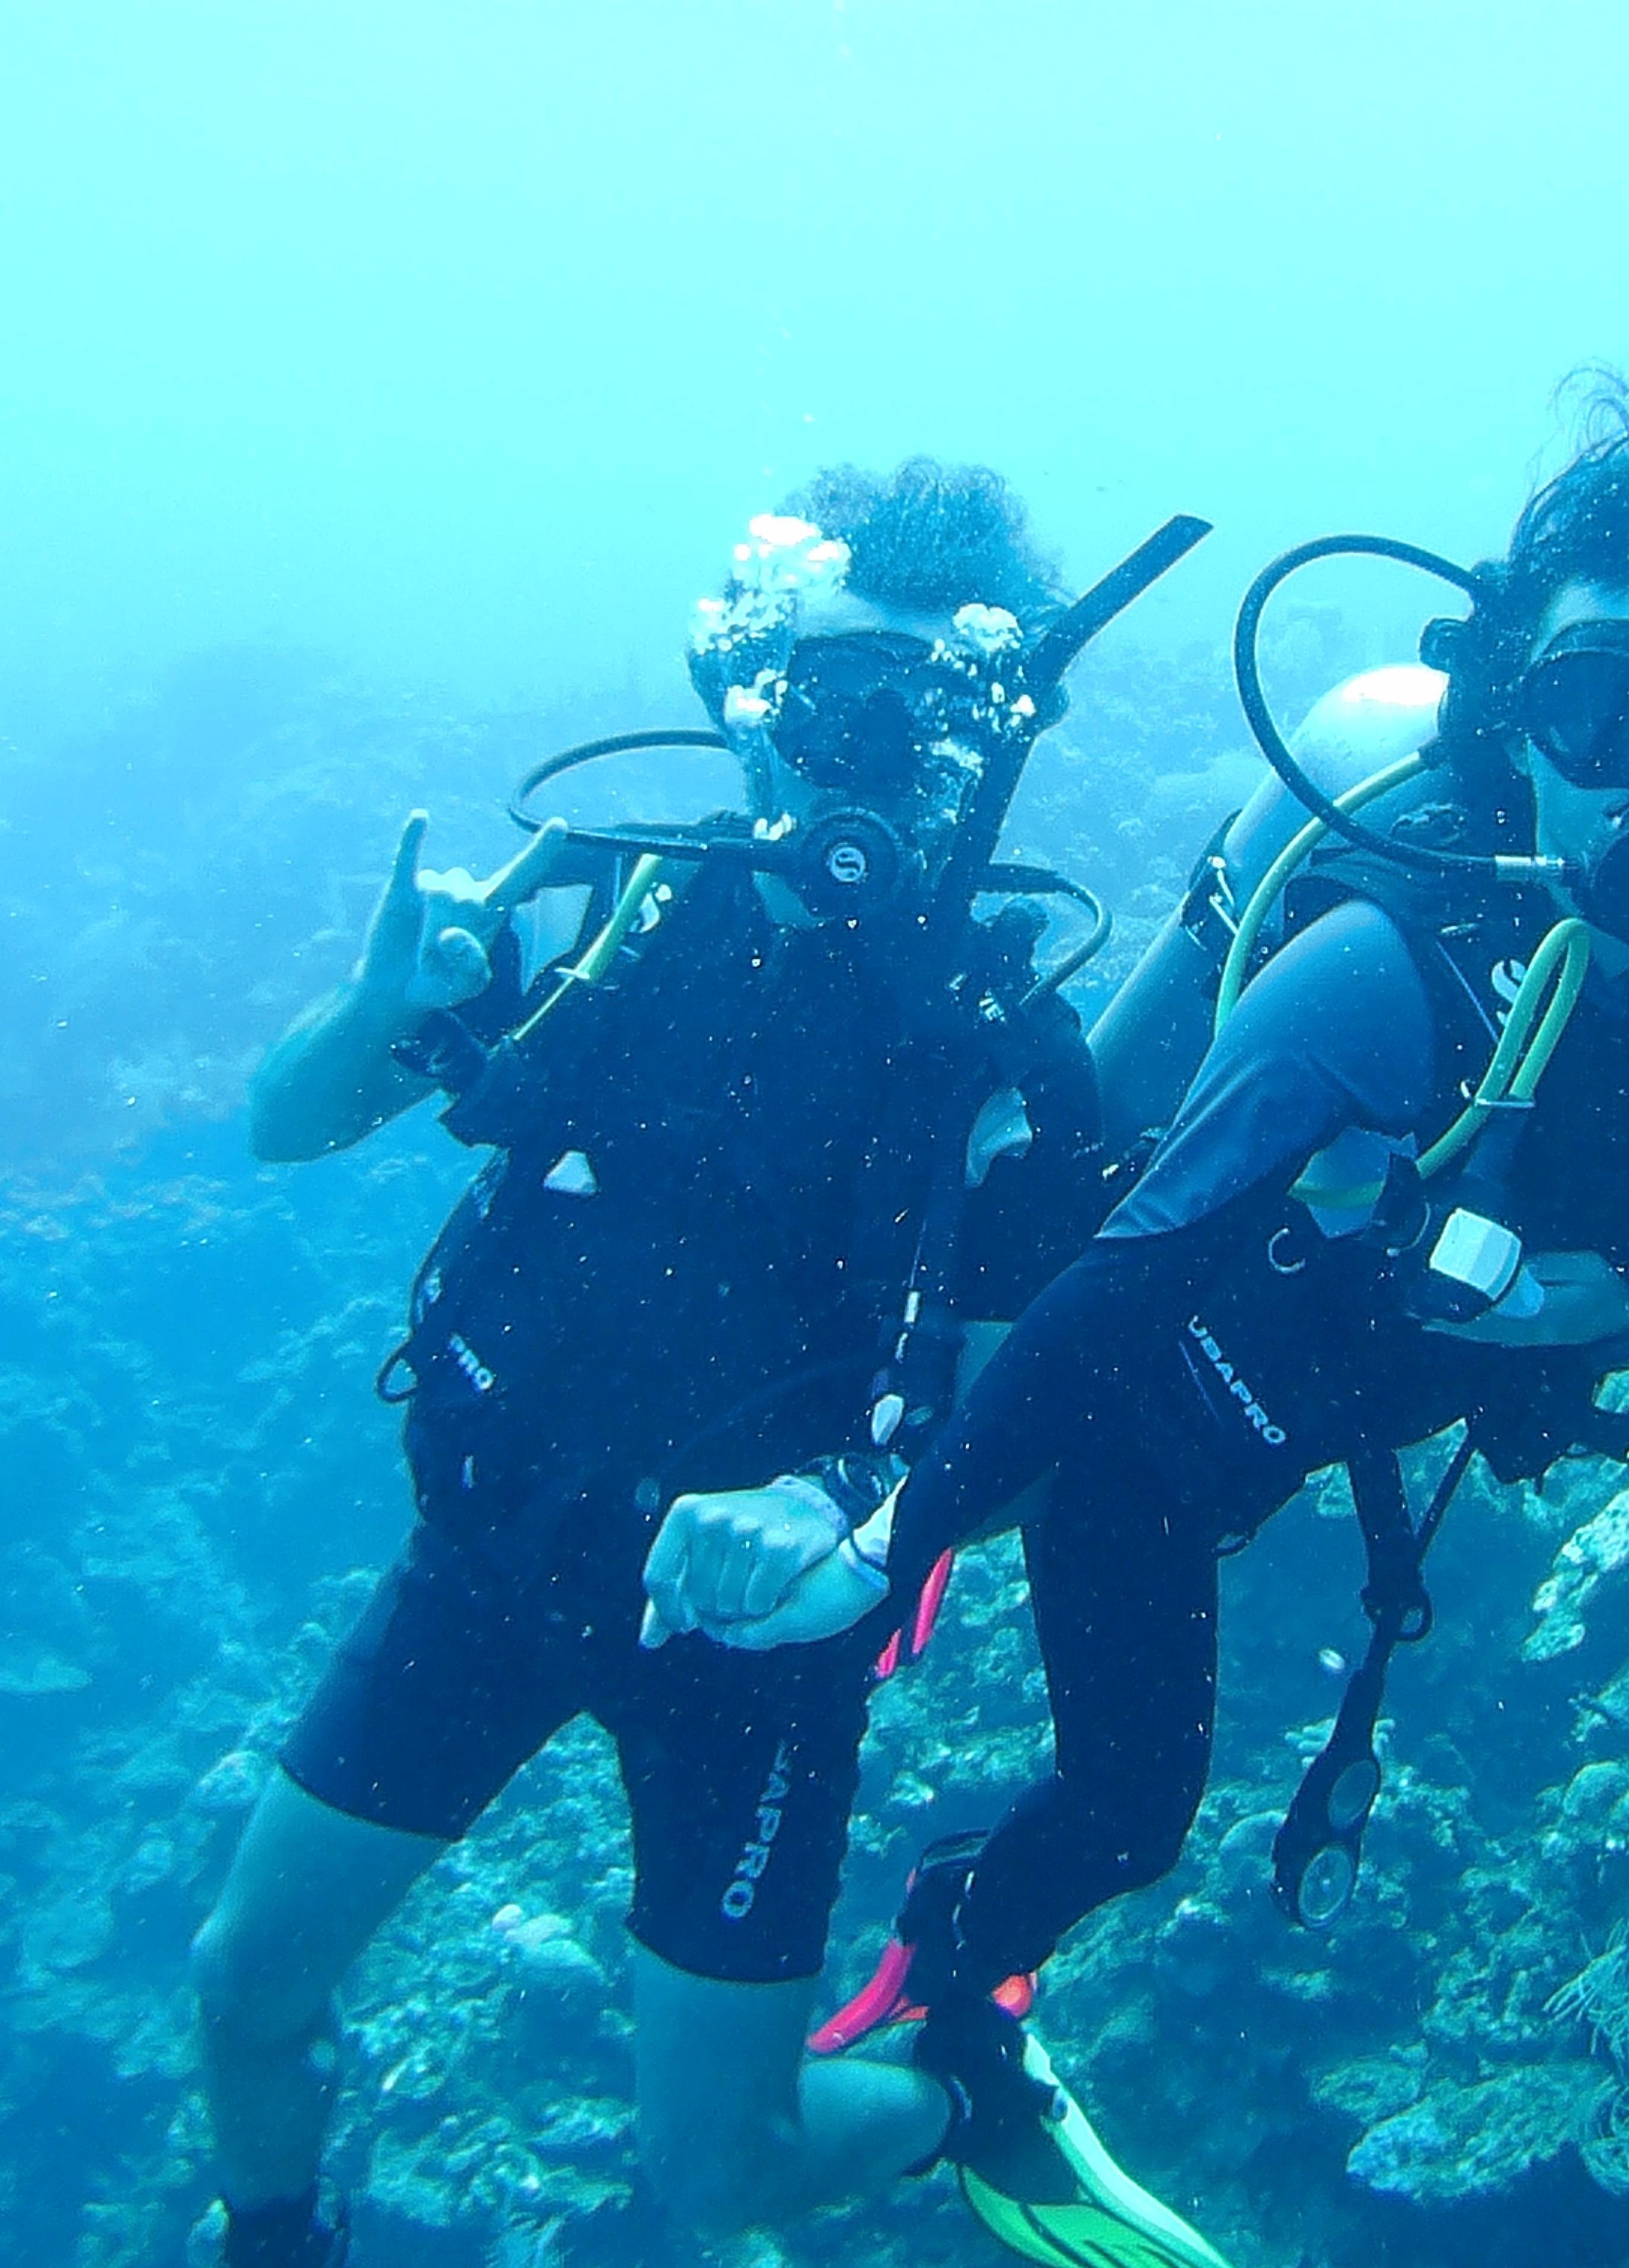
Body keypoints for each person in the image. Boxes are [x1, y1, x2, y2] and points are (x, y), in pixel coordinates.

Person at [657, 412, 1629, 2129]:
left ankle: (957, 1955)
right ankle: (958, 1981)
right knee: (1131, 1811)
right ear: (1509, 738)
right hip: (1155, 1427)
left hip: (1350, 1417)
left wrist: (1589, 1305)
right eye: (1579, 707)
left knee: (1126, 1809)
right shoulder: (1379, 969)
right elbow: (1126, 1272)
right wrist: (894, 1536)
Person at [190, 460, 1223, 2268]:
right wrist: (379, 1010)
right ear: (755, 697)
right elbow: (288, 1127)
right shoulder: (607, 913)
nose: (867, 749)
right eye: (837, 696)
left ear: (982, 742)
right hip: (490, 1563)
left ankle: (955, 2089)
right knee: (239, 1990)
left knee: (716, 2178)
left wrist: (836, 1504)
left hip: (753, 1662)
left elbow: (1022, 1438)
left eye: (923, 712)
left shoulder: (1006, 1048)